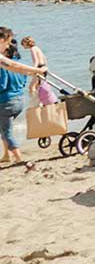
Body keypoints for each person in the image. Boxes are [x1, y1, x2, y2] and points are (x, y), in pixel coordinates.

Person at [0, 29, 40, 171]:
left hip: (6, 102)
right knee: (5, 128)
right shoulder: (18, 64)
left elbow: (2, 85)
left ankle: (19, 158)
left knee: (6, 131)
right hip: (19, 100)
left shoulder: (4, 67)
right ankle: (6, 155)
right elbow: (23, 81)